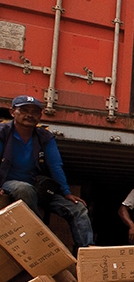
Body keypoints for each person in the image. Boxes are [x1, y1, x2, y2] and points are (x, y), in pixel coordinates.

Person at [0, 95, 93, 248]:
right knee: (24, 189)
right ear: (12, 112)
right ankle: (40, 238)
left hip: (38, 187)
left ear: (40, 116)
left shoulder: (44, 136)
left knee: (78, 208)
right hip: (8, 183)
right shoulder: (3, 132)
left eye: (34, 112)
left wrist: (66, 192)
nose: (29, 115)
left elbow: (55, 165)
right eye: (24, 110)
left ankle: (87, 251)